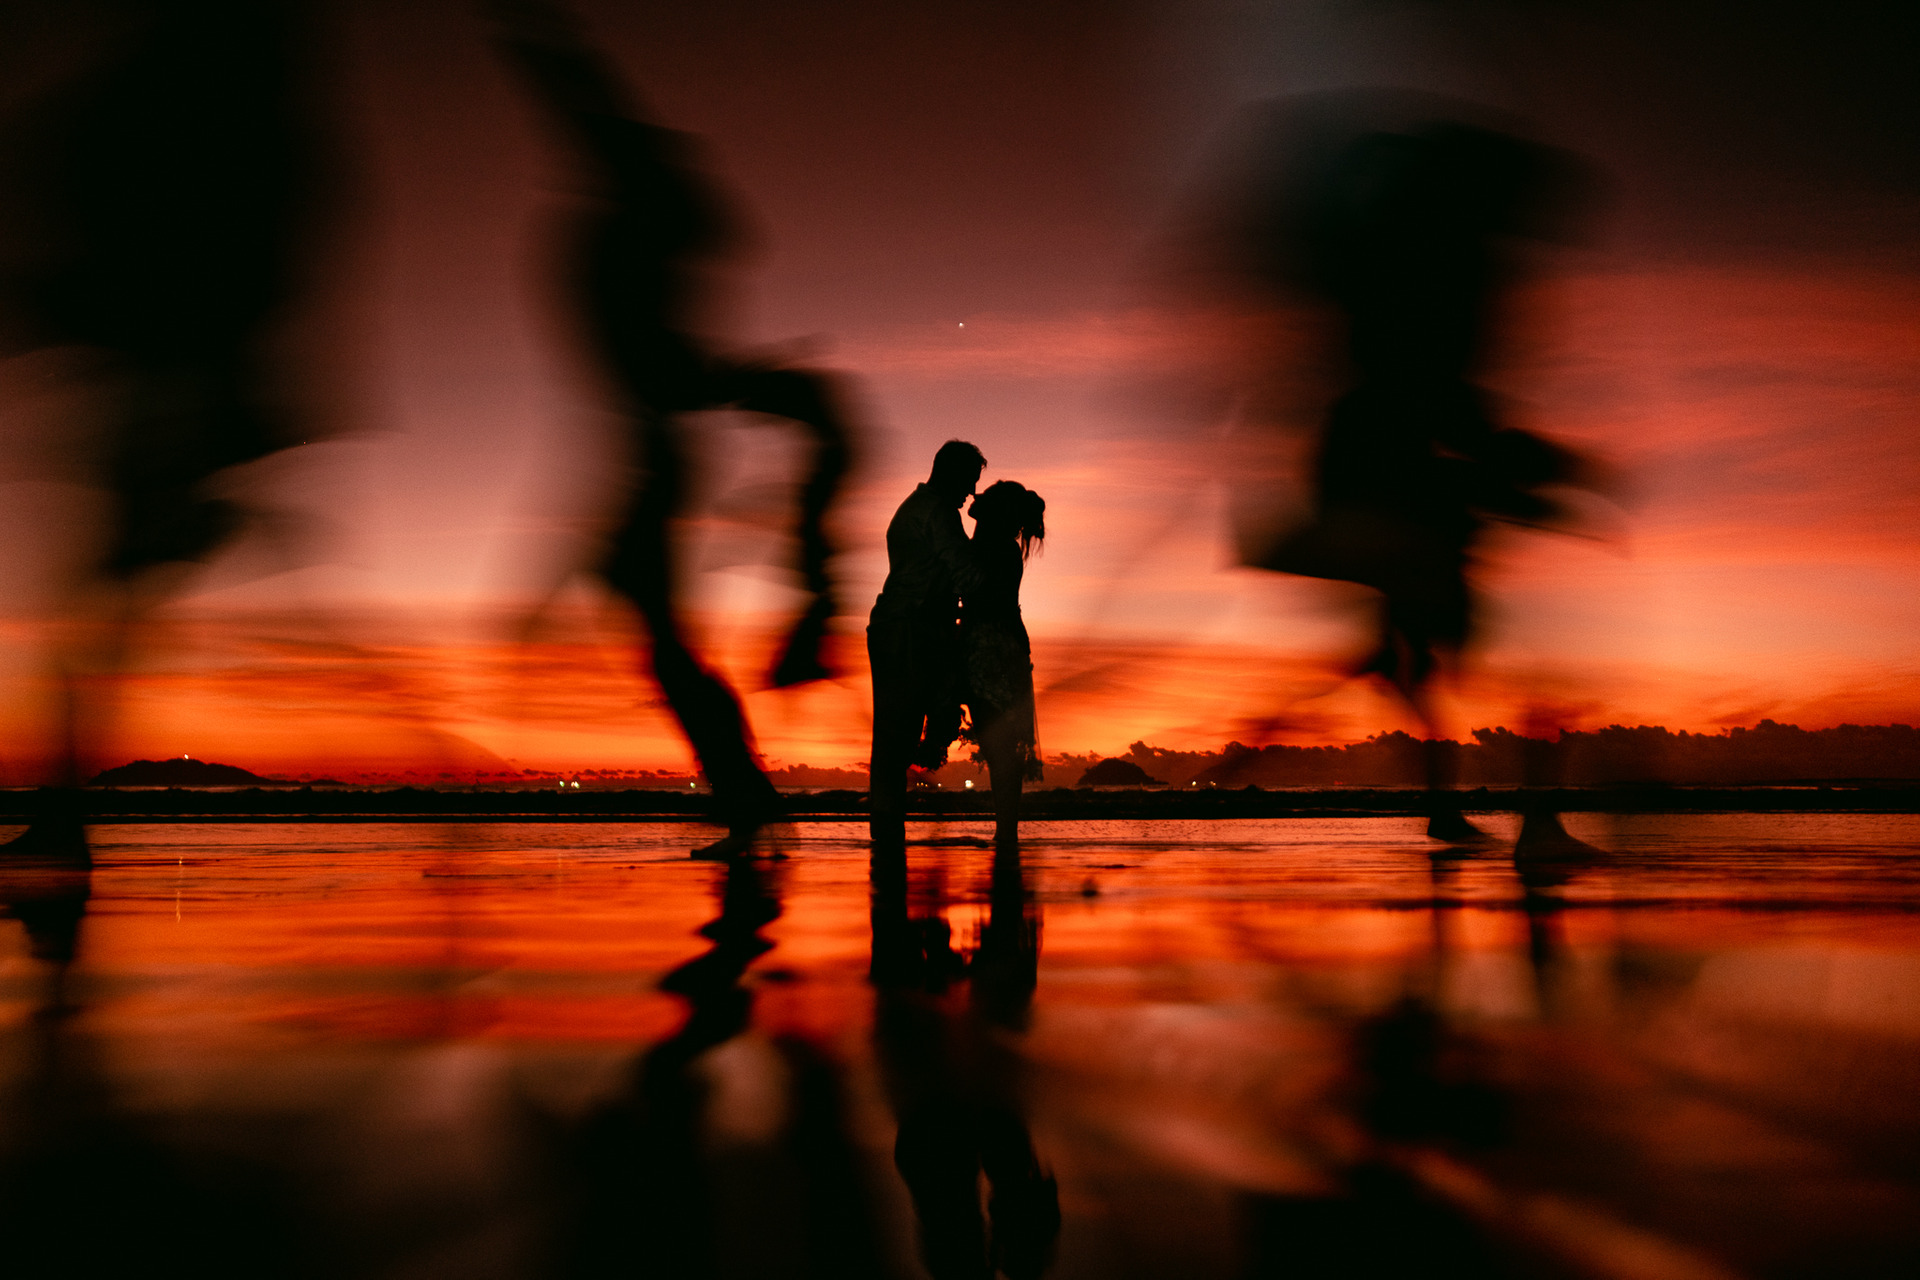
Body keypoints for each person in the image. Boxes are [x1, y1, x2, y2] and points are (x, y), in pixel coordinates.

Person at [488, 0, 856, 858]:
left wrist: (535, 38)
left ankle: (746, 797)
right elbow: (585, 104)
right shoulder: (647, 252)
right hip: (648, 451)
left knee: (660, 638)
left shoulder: (642, 235)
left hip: (651, 456)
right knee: (659, 637)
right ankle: (744, 794)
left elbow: (584, 101)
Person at [867, 441, 986, 845]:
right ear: (951, 473)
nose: (971, 492)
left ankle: (887, 831)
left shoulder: (915, 508)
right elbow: (967, 573)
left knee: (894, 734)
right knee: (897, 735)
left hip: (901, 626)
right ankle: (887, 832)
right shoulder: (938, 512)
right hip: (909, 629)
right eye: (969, 480)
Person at [959, 481, 1046, 844]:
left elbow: (982, 598)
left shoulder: (991, 548)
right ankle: (1005, 830)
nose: (974, 501)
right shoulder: (998, 547)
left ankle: (1006, 831)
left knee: (1000, 744)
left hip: (991, 649)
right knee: (1001, 744)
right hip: (1001, 647)